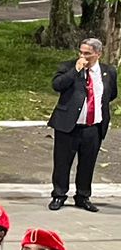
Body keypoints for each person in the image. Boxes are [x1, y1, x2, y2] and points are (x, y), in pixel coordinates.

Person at [48, 37, 117, 211]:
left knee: (87, 164)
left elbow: (111, 94)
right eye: (81, 52)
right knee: (62, 163)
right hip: (68, 125)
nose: (83, 56)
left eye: (87, 53)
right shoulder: (68, 66)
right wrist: (75, 71)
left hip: (93, 127)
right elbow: (57, 85)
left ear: (98, 54)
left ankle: (83, 196)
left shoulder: (108, 71)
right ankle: (59, 195)